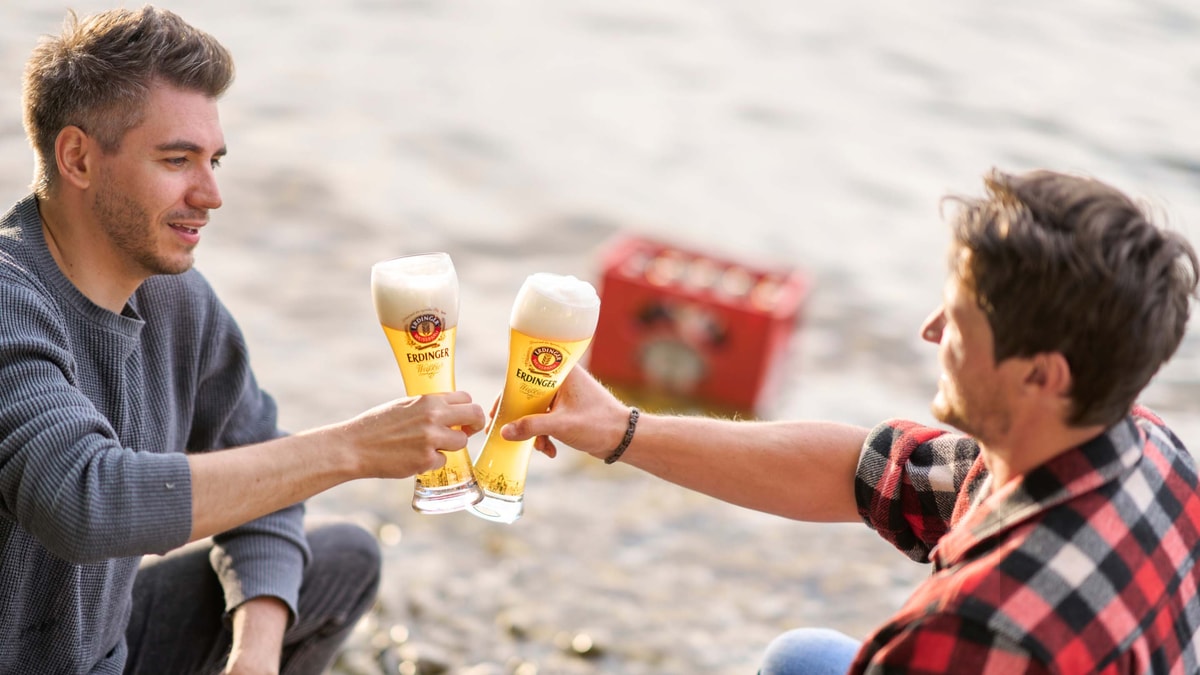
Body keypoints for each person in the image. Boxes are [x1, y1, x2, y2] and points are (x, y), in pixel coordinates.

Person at [502, 169, 1200, 673]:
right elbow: (863, 472)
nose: (930, 333)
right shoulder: (1151, 450)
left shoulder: (982, 626)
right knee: (803, 657)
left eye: (957, 323)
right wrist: (621, 428)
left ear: (1041, 374)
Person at [1, 6, 486, 674]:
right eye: (177, 160)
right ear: (79, 157)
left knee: (341, 560)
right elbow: (86, 502)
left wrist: (254, 654)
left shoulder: (179, 302)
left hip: (105, 652)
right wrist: (353, 449)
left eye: (214, 160)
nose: (211, 194)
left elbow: (268, 478)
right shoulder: (8, 300)